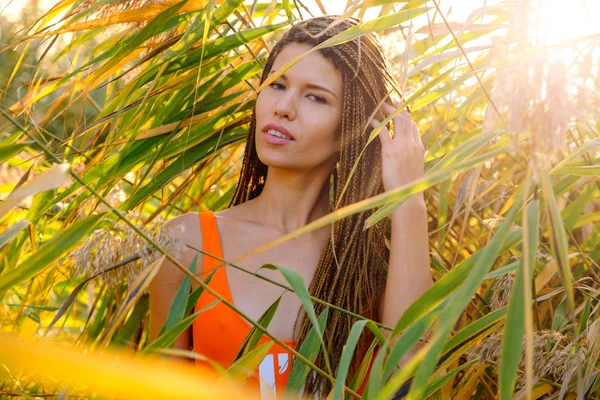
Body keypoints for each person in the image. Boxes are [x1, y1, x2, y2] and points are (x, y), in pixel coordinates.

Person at [149, 15, 432, 399]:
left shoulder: (369, 264)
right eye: (277, 84)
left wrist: (409, 199)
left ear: (355, 127)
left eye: (315, 96)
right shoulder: (187, 244)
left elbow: (410, 380)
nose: (283, 107)